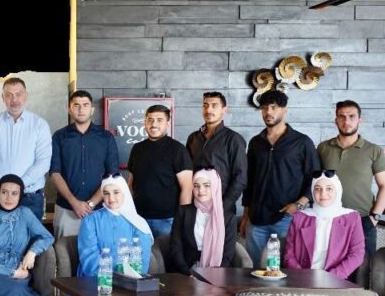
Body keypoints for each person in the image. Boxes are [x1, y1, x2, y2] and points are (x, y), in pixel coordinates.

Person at [57, 175, 155, 296]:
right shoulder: (91, 220)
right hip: (95, 279)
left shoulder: (139, 223)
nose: (111, 198)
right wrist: (109, 278)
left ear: (125, 193)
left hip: (130, 282)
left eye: (116, 192)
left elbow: (142, 260)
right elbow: (89, 258)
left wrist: (124, 279)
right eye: (106, 193)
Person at [241, 90, 321, 267]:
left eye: (273, 107)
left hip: (286, 218)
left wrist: (299, 204)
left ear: (285, 110)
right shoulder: (256, 142)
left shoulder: (302, 142)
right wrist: (246, 215)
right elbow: (249, 180)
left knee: (283, 269)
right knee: (255, 269)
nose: (268, 112)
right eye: (264, 108)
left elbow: (315, 177)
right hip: (256, 219)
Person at [317, 100, 385, 257]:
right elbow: (316, 182)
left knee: (363, 268)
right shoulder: (323, 148)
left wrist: (374, 218)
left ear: (359, 120)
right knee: (328, 267)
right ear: (336, 120)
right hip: (329, 219)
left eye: (352, 116)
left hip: (362, 221)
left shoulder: (374, 150)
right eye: (342, 116)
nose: (347, 121)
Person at [49, 90, 120, 238]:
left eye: (85, 105)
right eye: (76, 105)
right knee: (64, 251)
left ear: (92, 110)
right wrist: (74, 202)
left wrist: (91, 203)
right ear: (69, 109)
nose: (81, 109)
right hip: (67, 209)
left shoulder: (106, 137)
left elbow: (112, 175)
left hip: (99, 209)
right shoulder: (59, 136)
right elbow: (55, 173)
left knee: (100, 251)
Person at [0, 77, 51, 218]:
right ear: (3, 98)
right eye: (9, 95)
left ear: (26, 96)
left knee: (30, 234)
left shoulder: (40, 125)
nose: (14, 99)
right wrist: (5, 186)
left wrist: (19, 185)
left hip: (29, 198)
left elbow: (43, 162)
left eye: (18, 94)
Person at [170, 168, 237, 296]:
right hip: (185, 269)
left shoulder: (227, 217)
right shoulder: (183, 211)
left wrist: (209, 276)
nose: (201, 190)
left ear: (215, 187)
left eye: (207, 185)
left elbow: (227, 255)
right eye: (196, 186)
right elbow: (175, 247)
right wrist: (187, 272)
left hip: (214, 271)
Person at [284, 171, 366, 279]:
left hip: (336, 280)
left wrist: (331, 278)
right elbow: (289, 254)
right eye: (317, 189)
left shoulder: (352, 218)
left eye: (329, 189)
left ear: (338, 190)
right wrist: (303, 277)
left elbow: (357, 254)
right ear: (312, 192)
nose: (323, 194)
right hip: (302, 279)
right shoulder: (300, 217)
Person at [127, 104, 192, 237]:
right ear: (145, 122)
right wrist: (130, 212)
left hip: (167, 220)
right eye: (150, 120)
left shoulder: (177, 150)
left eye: (159, 120)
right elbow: (131, 183)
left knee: (166, 251)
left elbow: (187, 188)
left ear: (167, 123)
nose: (154, 124)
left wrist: (181, 220)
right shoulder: (137, 149)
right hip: (139, 219)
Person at [186, 92, 247, 224]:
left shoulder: (234, 139)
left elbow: (240, 177)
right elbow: (188, 172)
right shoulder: (193, 138)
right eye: (205, 106)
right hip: (196, 207)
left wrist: (223, 205)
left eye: (214, 106)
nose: (208, 110)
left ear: (224, 110)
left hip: (222, 208)